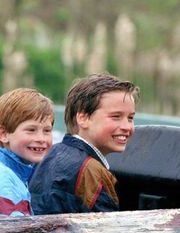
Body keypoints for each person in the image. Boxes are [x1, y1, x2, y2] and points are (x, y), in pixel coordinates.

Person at [29, 73, 140, 214]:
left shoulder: (51, 153)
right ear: (83, 118)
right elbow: (107, 232)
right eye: (116, 117)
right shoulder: (91, 171)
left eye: (130, 118)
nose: (127, 126)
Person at [0, 88, 55, 217]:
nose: (41, 139)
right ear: (3, 134)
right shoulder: (2, 181)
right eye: (31, 130)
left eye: (47, 131)